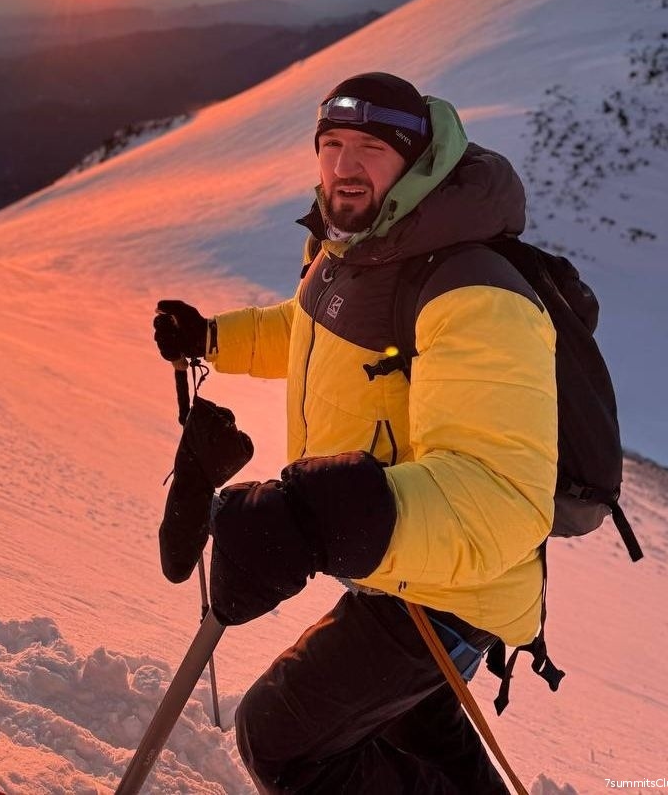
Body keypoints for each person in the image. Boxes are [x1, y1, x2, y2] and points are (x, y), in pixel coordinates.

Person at [153, 72, 558, 794]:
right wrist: (214, 338)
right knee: (412, 739)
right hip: (397, 562)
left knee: (281, 738)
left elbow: (499, 495)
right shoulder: (356, 249)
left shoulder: (474, 290)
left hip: (452, 588)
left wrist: (317, 519)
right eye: (332, 144)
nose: (344, 166)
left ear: (417, 161)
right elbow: (307, 331)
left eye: (371, 148)